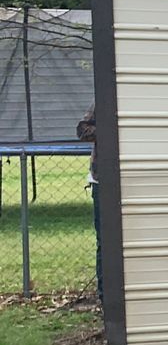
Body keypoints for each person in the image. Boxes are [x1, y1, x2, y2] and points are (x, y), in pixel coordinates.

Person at [78, 104, 99, 296]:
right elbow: (82, 130)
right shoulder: (100, 101)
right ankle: (104, 296)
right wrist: (109, 128)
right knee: (105, 240)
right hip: (102, 180)